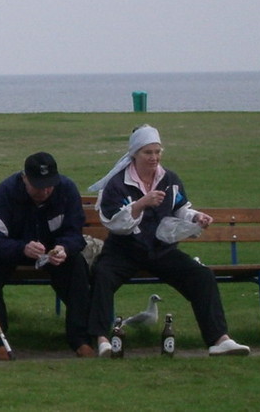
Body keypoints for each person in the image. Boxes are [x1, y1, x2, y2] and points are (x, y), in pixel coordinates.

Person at [86, 125, 251, 357]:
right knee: (102, 275)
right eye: (147, 152)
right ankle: (103, 339)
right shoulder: (116, 184)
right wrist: (141, 203)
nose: (154, 158)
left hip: (160, 250)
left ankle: (219, 339)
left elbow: (181, 207)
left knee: (202, 276)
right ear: (134, 154)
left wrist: (196, 217)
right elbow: (113, 223)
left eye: (157, 151)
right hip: (123, 250)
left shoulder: (170, 179)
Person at [0, 152, 93, 359]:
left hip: (53, 254)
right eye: (38, 185)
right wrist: (21, 248)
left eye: (49, 184)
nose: (45, 190)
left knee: (76, 264)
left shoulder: (67, 190)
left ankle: (81, 339)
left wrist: (63, 248)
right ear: (24, 178)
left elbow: (75, 233)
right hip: (13, 251)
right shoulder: (5, 192)